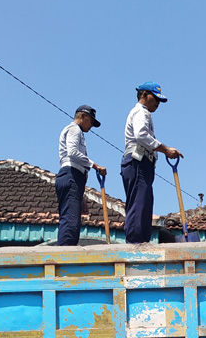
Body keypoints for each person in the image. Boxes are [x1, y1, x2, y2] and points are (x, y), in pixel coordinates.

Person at [121, 82, 183, 244]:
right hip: (138, 162)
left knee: (144, 204)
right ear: (144, 95)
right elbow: (141, 135)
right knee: (139, 204)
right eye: (155, 98)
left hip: (143, 164)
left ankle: (140, 241)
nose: (157, 103)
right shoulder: (141, 112)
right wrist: (166, 149)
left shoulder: (142, 113)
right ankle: (135, 244)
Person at [56, 105, 106, 246]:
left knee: (71, 217)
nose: (91, 126)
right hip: (71, 175)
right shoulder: (74, 129)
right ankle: (65, 253)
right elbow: (72, 152)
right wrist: (94, 165)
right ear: (83, 116)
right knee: (70, 219)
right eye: (91, 121)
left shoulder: (75, 131)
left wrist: (82, 194)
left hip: (72, 177)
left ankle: (66, 249)